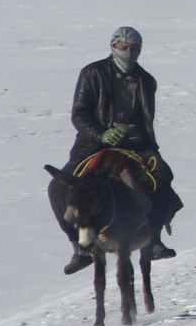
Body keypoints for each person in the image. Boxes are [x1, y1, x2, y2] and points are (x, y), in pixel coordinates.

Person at [58, 26, 180, 273]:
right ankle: (78, 248)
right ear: (113, 47)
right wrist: (101, 133)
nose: (128, 53)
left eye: (134, 49)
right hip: (94, 142)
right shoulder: (93, 73)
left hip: (135, 141)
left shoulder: (146, 80)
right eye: (124, 48)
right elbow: (79, 114)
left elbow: (145, 118)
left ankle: (155, 239)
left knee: (163, 175)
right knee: (58, 186)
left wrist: (140, 140)